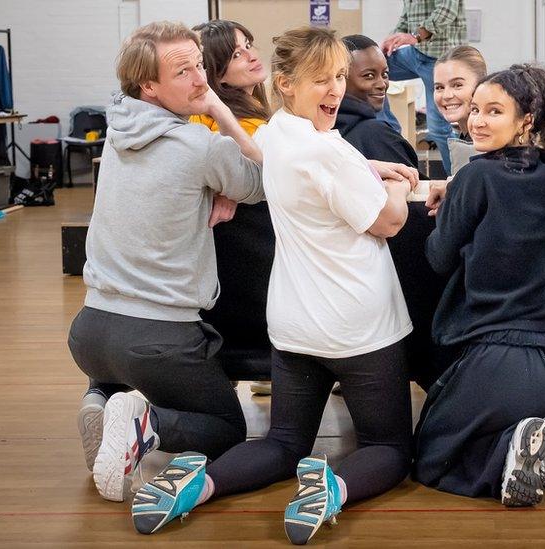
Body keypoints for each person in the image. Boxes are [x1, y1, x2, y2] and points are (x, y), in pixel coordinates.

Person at [130, 27, 420, 545]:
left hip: (293, 324)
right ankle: (332, 488)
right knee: (390, 447)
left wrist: (216, 105)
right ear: (285, 83)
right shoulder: (324, 151)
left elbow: (258, 153)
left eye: (337, 77)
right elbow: (390, 222)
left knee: (284, 442)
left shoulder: (281, 130)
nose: (334, 90)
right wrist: (397, 184)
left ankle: (201, 484)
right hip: (358, 326)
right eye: (319, 81)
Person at [68, 21, 264, 503]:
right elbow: (260, 179)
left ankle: (102, 398)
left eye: (201, 65)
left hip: (90, 331)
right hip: (158, 341)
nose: (201, 80)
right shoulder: (200, 145)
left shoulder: (115, 131)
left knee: (123, 366)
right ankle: (146, 423)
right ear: (148, 86)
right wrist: (218, 109)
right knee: (226, 427)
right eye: (184, 71)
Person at [414, 64, 545, 507]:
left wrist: (450, 202)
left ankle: (513, 444)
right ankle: (542, 443)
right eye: (475, 110)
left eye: (493, 111)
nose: (477, 121)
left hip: (505, 362)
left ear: (525, 120)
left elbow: (438, 257)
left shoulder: (474, 176)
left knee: (432, 457)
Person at [189, 19, 276, 397]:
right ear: (216, 73)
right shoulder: (223, 119)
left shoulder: (252, 110)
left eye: (249, 45)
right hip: (243, 273)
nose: (251, 56)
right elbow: (263, 170)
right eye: (236, 54)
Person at [379, 0, 467, 173]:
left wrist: (415, 36)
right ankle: (389, 129)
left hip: (440, 57)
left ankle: (458, 179)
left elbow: (447, 10)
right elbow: (406, 18)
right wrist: (393, 38)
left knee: (439, 129)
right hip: (417, 53)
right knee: (374, 67)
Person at [335, 34, 419, 169]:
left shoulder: (322, 128)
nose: (382, 84)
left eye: (385, 74)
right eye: (368, 76)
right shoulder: (375, 134)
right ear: (340, 79)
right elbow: (415, 186)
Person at [432, 45, 486, 176]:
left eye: (457, 85)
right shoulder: (467, 136)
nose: (446, 95)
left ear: (482, 85)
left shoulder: (488, 142)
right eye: (439, 87)